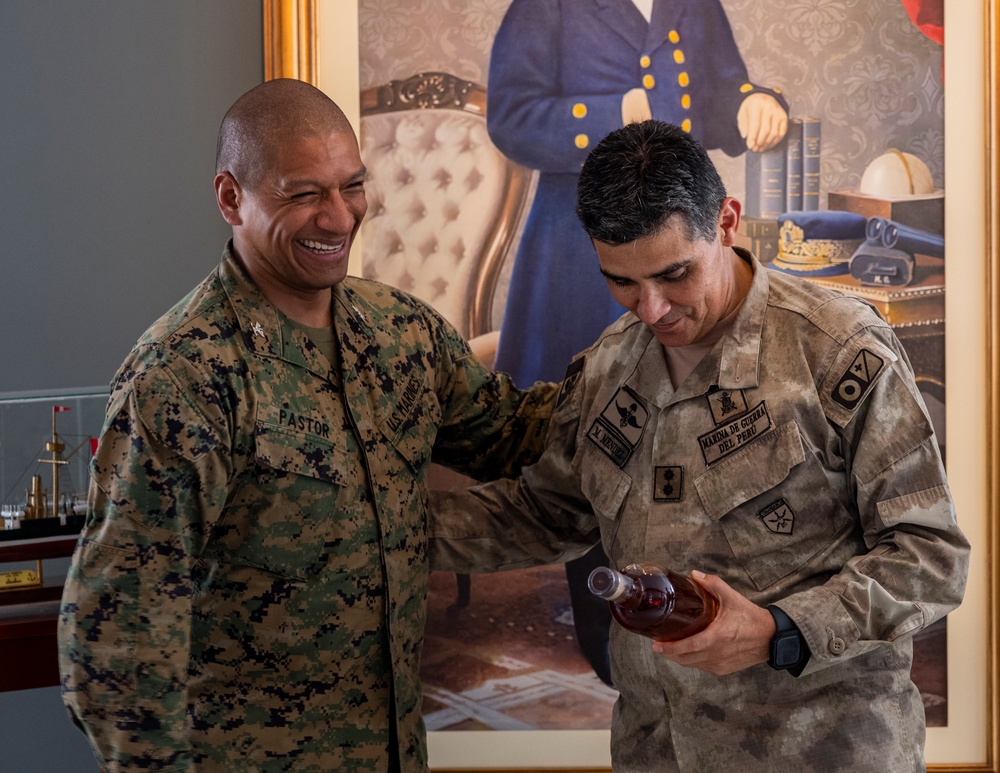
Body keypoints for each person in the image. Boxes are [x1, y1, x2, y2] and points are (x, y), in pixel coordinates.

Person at [429, 120, 970, 772]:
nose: (651, 308)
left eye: (674, 274)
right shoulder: (606, 369)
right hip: (656, 749)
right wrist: (384, 525)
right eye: (622, 282)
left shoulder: (837, 351)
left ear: (727, 222)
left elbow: (930, 556)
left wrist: (778, 631)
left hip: (821, 753)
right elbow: (549, 513)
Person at [57, 78, 559, 773]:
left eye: (351, 185)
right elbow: (116, 644)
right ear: (231, 197)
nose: (340, 216)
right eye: (303, 194)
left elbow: (518, 436)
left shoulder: (400, 333)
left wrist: (646, 354)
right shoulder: (184, 377)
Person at [485, 0, 789, 683]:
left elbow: (718, 95)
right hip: (579, 250)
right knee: (597, 441)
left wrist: (753, 103)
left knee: (693, 431)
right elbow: (511, 118)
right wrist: (607, 112)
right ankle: (612, 639)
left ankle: (693, 621)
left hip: (684, 248)